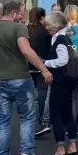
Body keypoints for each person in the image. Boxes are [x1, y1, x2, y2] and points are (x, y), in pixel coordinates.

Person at [0, 0, 52, 155]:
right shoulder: (19, 28)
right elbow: (25, 50)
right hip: (20, 79)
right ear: (13, 13)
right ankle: (27, 153)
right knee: (27, 117)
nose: (22, 17)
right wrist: (44, 70)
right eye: (21, 14)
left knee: (2, 121)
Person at [41, 12, 78, 155]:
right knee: (67, 114)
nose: (46, 27)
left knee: (56, 115)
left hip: (60, 81)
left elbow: (63, 60)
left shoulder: (60, 39)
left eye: (48, 24)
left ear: (56, 25)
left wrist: (45, 63)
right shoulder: (66, 38)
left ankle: (60, 151)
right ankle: (73, 148)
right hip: (68, 82)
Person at [27, 7, 52, 138]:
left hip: (28, 65)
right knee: (42, 93)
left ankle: (32, 121)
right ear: (42, 17)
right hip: (43, 64)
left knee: (30, 95)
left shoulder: (25, 30)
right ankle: (43, 119)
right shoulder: (46, 31)